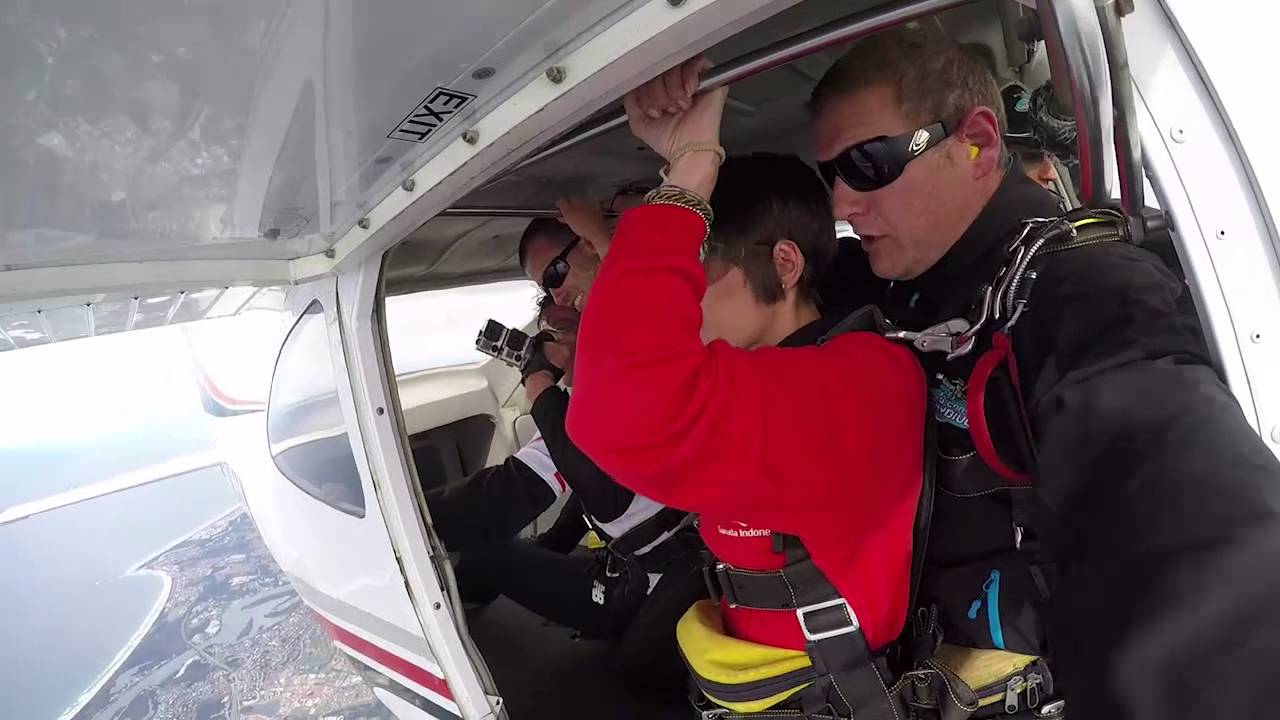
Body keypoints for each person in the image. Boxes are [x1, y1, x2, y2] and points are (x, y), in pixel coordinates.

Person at [804, 24, 1280, 719]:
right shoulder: (897, 282)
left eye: (868, 164)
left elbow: (1192, 539)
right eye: (830, 177)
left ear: (979, 142)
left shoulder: (1083, 290)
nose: (842, 204)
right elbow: (758, 273)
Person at [565, 65, 928, 715]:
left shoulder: (856, 381)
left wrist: (690, 175)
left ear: (783, 265)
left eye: (696, 272)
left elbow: (612, 411)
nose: (686, 302)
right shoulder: (781, 381)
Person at [428, 278, 705, 694]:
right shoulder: (622, 390)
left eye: (557, 332)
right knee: (514, 551)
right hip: (659, 568)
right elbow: (584, 483)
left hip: (647, 588)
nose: (543, 346)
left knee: (489, 553)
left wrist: (407, 515)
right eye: (542, 334)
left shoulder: (588, 410)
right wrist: (555, 543)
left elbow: (511, 498)